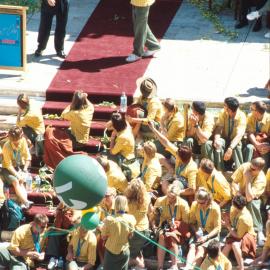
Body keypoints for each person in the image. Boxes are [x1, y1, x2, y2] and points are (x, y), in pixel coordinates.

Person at [149, 121, 198, 198]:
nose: (176, 155)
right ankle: (167, 197)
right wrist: (153, 129)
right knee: (164, 182)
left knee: (176, 184)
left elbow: (192, 189)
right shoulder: (180, 154)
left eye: (177, 156)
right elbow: (166, 142)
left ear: (182, 159)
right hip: (175, 181)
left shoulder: (192, 168)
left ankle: (168, 197)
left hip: (182, 189)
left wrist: (177, 192)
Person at [152, 184, 190, 270]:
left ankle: (174, 265)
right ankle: (160, 266)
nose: (169, 199)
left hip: (178, 228)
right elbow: (153, 217)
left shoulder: (183, 204)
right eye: (168, 196)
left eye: (172, 198)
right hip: (163, 226)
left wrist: (175, 224)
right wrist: (154, 227)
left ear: (177, 196)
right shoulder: (160, 201)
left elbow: (186, 222)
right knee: (163, 235)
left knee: (171, 235)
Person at [231, 157, 266, 246]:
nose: (249, 170)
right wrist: (238, 193)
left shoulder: (261, 179)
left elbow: (249, 198)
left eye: (253, 169)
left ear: (259, 170)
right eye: (250, 166)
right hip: (240, 194)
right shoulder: (245, 166)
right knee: (235, 202)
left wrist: (248, 181)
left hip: (254, 199)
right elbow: (234, 182)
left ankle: (259, 230)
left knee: (253, 204)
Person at [204, 97, 246, 171]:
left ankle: (239, 171)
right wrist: (216, 139)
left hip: (235, 140)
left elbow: (239, 135)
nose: (223, 106)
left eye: (225, 105)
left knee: (237, 145)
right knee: (218, 143)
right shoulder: (223, 112)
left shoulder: (241, 116)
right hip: (224, 139)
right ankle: (219, 170)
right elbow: (219, 128)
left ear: (229, 109)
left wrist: (230, 148)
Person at [184, 188, 221, 270]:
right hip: (199, 232)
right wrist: (196, 232)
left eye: (202, 203)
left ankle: (192, 268)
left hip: (211, 234)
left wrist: (206, 237)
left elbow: (217, 228)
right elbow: (192, 222)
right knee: (192, 246)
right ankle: (188, 266)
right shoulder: (195, 205)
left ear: (207, 200)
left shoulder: (215, 208)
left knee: (201, 248)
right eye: (198, 202)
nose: (199, 205)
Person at [100, 195, 136, 270]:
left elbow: (103, 236)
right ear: (126, 205)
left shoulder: (109, 220)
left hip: (111, 253)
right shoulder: (131, 218)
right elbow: (130, 236)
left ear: (115, 205)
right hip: (124, 251)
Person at [222, 195, 257, 270]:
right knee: (228, 244)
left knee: (234, 244)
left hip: (247, 236)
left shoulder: (244, 218)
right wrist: (227, 220)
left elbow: (238, 236)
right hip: (238, 231)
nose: (231, 205)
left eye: (232, 204)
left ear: (236, 206)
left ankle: (241, 268)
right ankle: (220, 264)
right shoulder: (235, 209)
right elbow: (233, 224)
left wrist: (227, 226)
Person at [1, 126, 32, 208]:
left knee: (22, 181)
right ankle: (26, 202)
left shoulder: (23, 141)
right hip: (7, 169)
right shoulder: (6, 146)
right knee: (16, 181)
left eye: (17, 142)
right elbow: (8, 165)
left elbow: (27, 156)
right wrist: (18, 175)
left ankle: (24, 202)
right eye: (14, 142)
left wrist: (25, 169)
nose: (16, 143)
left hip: (19, 166)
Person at [46, 202, 82, 269]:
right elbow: (56, 215)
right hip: (60, 228)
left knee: (69, 237)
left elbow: (75, 219)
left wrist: (66, 215)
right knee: (53, 232)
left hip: (71, 229)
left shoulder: (77, 205)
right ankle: (53, 258)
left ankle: (62, 259)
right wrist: (59, 210)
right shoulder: (62, 203)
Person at [125, 179, 150, 270]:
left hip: (134, 232)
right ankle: (140, 267)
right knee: (137, 251)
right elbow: (150, 212)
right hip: (145, 230)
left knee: (129, 256)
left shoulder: (128, 203)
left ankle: (139, 264)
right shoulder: (147, 199)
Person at [243, 101, 270, 168]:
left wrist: (268, 146)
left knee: (264, 150)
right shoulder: (250, 117)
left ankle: (263, 172)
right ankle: (246, 169)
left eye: (252, 109)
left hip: (266, 143)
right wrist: (256, 144)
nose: (250, 110)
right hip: (253, 142)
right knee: (249, 148)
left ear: (257, 112)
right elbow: (250, 133)